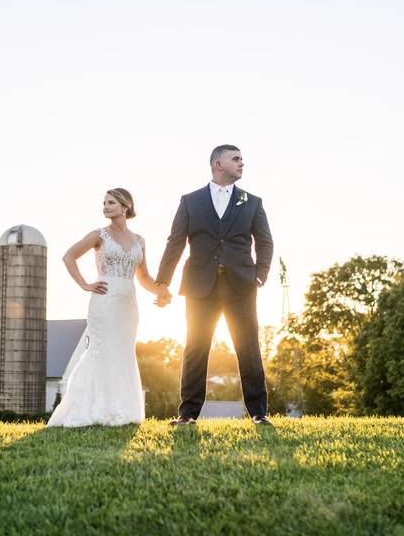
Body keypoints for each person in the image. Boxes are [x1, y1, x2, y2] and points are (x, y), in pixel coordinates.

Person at [155, 145, 274, 426]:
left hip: (242, 286)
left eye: (242, 158)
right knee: (196, 347)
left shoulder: (252, 201)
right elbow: (175, 242)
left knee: (248, 347)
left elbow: (265, 241)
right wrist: (162, 282)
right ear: (218, 164)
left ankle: (258, 413)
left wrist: (260, 275)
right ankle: (187, 415)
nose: (242, 163)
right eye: (236, 159)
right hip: (199, 286)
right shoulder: (190, 201)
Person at [47, 188, 163, 427]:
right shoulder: (99, 235)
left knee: (122, 352)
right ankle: (92, 408)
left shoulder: (140, 240)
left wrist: (161, 291)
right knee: (102, 350)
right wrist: (85, 284)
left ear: (125, 206)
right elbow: (69, 256)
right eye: (104, 203)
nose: (105, 207)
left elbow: (144, 277)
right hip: (104, 300)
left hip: (128, 304)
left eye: (111, 202)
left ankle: (122, 409)